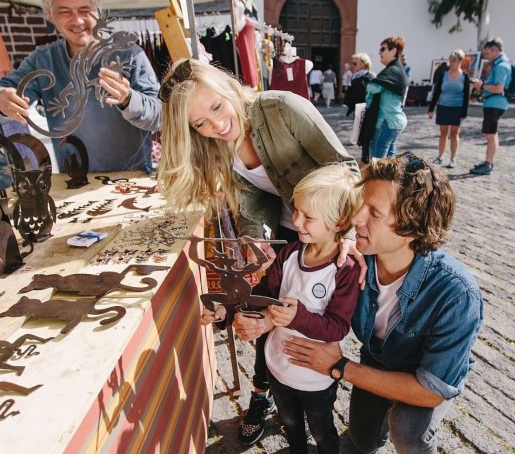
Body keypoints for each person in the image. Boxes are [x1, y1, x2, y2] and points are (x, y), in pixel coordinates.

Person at [156, 58, 362, 445]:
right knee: (270, 309)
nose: (215, 126)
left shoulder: (281, 107)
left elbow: (345, 167)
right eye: (199, 123)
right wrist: (257, 241)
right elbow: (250, 203)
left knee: (331, 311)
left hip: (325, 227)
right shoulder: (214, 147)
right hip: (288, 233)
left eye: (216, 107)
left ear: (227, 87)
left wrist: (346, 232)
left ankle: (344, 399)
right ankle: (264, 393)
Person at [271, 155, 484, 454]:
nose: (357, 218)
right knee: (361, 440)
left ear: (411, 226)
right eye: (362, 204)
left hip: (423, 376)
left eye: (374, 213)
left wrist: (339, 367)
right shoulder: (354, 259)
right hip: (377, 358)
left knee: (408, 429)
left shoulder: (456, 294)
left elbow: (431, 390)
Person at [205, 164, 362, 453]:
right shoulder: (290, 253)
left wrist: (297, 317)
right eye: (296, 210)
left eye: (308, 216)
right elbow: (263, 293)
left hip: (316, 378)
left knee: (323, 430)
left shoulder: (345, 270)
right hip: (276, 366)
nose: (296, 220)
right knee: (291, 424)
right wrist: (227, 311)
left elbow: (338, 326)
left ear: (339, 222)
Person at [0, 0, 162, 173]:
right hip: (74, 184)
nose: (77, 20)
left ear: (98, 11)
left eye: (84, 10)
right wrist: (0, 100)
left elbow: (160, 115)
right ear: (50, 15)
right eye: (65, 11)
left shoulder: (129, 54)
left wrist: (129, 99)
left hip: (132, 181)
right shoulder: (42, 60)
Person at [359, 37, 408, 163]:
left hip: (387, 122)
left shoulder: (393, 70)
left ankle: (378, 182)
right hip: (393, 122)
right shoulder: (395, 69)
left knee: (377, 163)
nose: (379, 52)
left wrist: (367, 83)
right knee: (390, 162)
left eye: (382, 49)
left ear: (393, 51)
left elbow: (373, 87)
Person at [470, 37, 511, 175]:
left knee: (491, 135)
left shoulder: (501, 66)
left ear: (495, 50)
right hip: (494, 103)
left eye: (487, 53)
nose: (486, 57)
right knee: (492, 134)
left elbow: (499, 88)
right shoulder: (500, 64)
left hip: (495, 103)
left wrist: (481, 86)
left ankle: (488, 164)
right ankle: (489, 161)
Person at [427, 49, 470, 168]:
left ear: (460, 61)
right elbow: (437, 92)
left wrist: (464, 112)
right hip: (443, 106)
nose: (451, 63)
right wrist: (431, 108)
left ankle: (453, 158)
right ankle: (440, 155)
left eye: (454, 61)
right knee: (443, 132)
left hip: (457, 107)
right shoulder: (443, 74)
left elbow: (466, 95)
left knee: (455, 133)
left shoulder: (465, 76)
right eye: (450, 61)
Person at [343, 53, 375, 117]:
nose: (353, 66)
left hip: (365, 111)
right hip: (357, 109)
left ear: (363, 64)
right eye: (353, 63)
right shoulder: (356, 76)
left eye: (355, 64)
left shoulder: (368, 77)